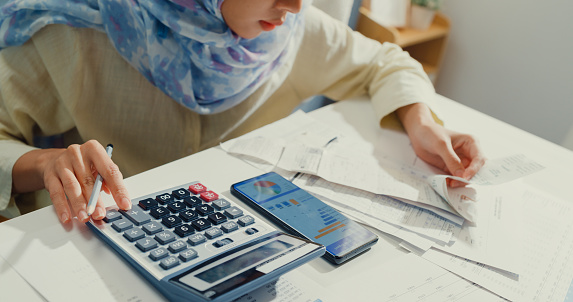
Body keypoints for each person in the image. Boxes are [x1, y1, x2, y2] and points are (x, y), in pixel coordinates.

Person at [0, 0, 485, 223]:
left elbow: (385, 61)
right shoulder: (78, 28)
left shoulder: (290, 34)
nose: (294, 5)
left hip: (240, 247)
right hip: (105, 245)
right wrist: (44, 164)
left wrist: (420, 122)